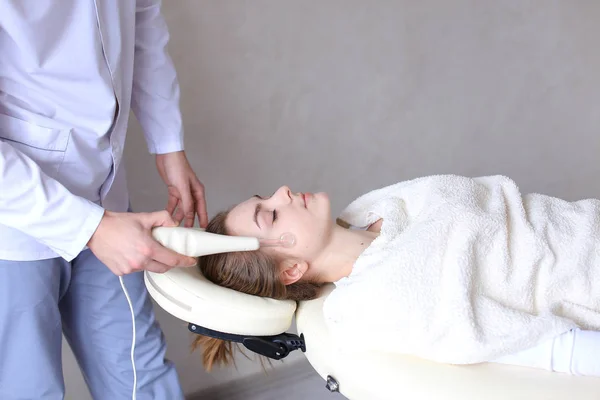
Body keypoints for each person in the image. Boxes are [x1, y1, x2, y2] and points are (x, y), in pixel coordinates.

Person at [191, 176, 600, 377]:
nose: (282, 191)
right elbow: (533, 345)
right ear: (291, 269)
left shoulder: (376, 209)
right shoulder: (380, 298)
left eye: (267, 197)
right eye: (272, 213)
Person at [0, 2, 205, 399]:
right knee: (26, 387)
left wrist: (167, 143)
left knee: (140, 372)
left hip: (105, 195)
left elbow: (141, 16)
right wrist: (89, 227)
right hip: (13, 220)